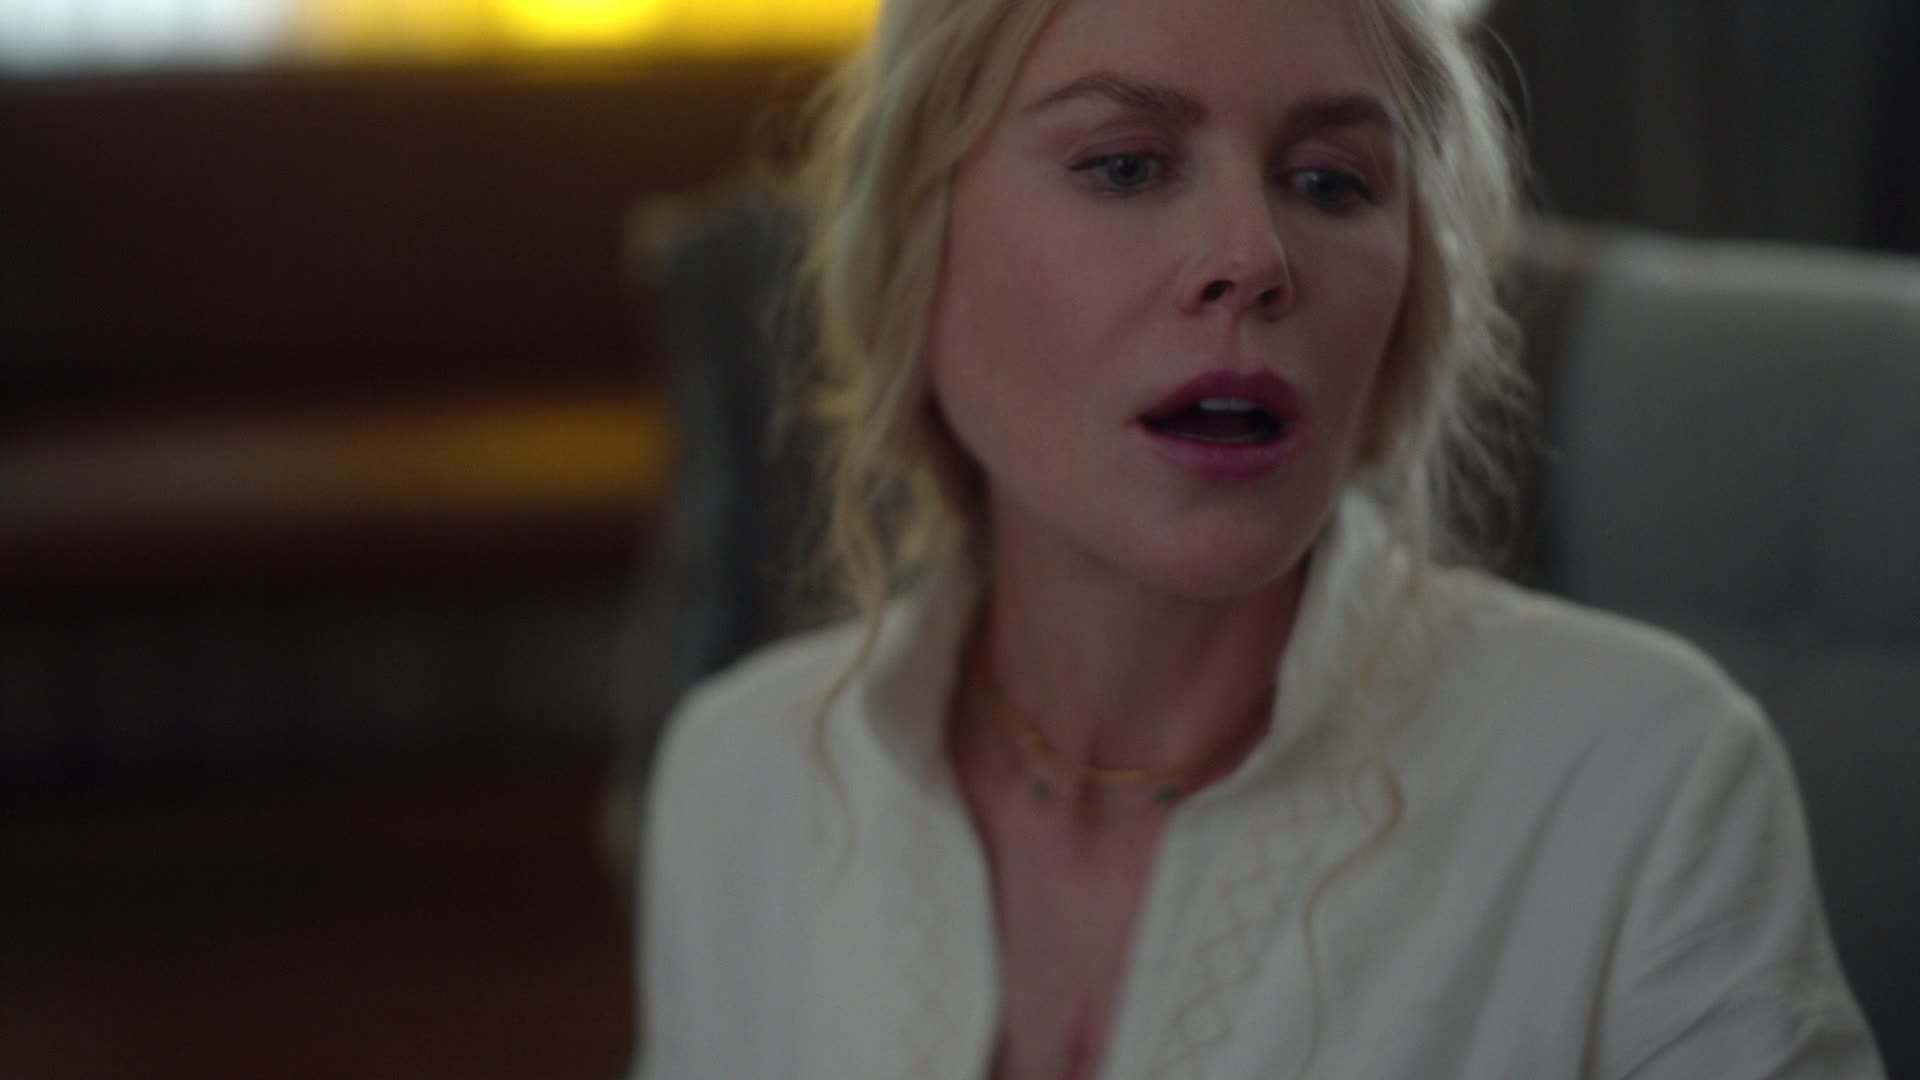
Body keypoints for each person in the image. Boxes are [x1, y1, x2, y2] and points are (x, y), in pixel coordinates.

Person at [633, 0, 1885, 1075]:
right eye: (1126, 166)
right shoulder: (744, 779)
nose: (1254, 257)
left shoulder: (1648, 790)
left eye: (1331, 182)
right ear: (917, 235)